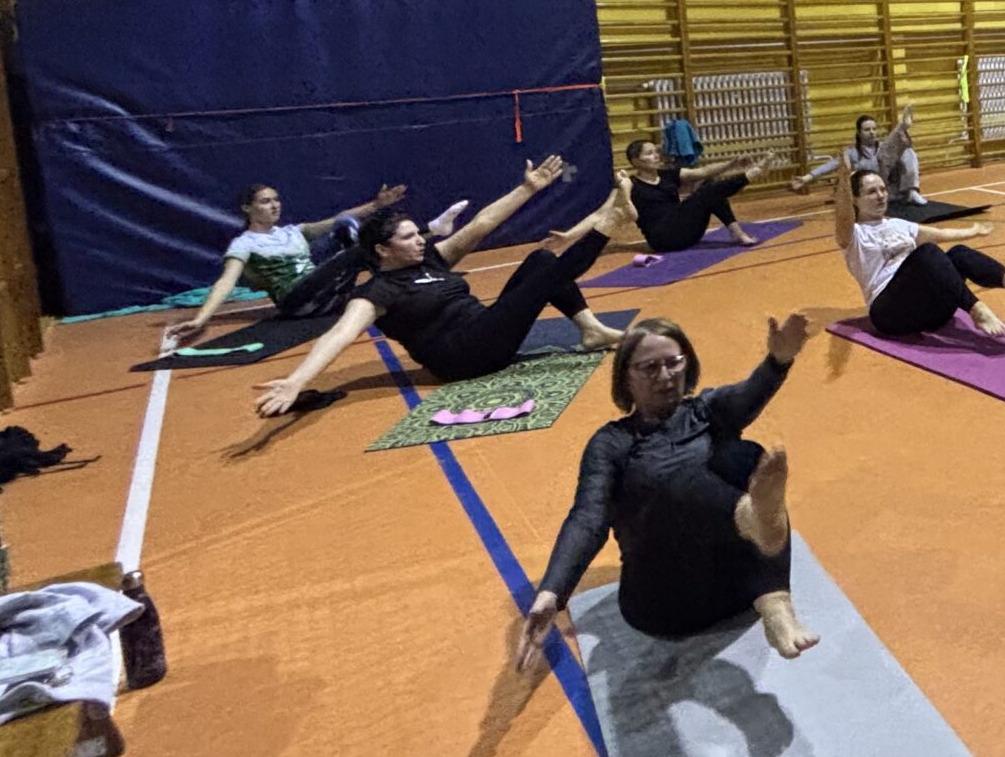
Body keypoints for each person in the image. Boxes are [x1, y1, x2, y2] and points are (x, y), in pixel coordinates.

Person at [517, 314, 817, 667]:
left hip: (735, 589)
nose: (665, 376)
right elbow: (588, 518)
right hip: (664, 605)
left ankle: (776, 603)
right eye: (649, 368)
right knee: (682, 481)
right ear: (626, 378)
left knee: (748, 457)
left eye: (674, 363)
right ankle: (748, 516)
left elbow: (746, 395)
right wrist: (552, 592)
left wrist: (778, 360)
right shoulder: (611, 444)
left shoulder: (706, 411)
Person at [253, 156, 629, 415]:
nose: (420, 240)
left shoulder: (429, 259)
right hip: (463, 358)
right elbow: (339, 335)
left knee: (542, 261)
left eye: (418, 233)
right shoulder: (377, 291)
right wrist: (296, 381)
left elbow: (481, 225)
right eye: (408, 237)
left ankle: (591, 330)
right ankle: (611, 222)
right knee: (548, 276)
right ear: (383, 250)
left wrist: (527, 189)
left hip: (485, 329)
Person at [169, 178, 448, 342]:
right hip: (297, 302)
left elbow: (338, 219)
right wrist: (201, 319)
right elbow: (226, 281)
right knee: (356, 244)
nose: (274, 205)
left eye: (276, 199)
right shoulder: (244, 244)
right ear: (247, 208)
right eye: (265, 202)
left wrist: (378, 205)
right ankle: (431, 233)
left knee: (348, 229)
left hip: (324, 297)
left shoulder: (293, 232)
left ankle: (426, 253)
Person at [835, 166, 1005, 338]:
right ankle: (977, 309)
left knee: (958, 253)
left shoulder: (898, 224)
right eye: (871, 192)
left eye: (883, 189)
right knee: (927, 253)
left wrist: (973, 231)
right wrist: (844, 182)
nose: (881, 196)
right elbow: (843, 216)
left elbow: (940, 234)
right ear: (855, 199)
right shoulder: (854, 235)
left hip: (930, 312)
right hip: (890, 314)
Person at [607, 138, 767, 252]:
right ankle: (748, 176)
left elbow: (703, 172)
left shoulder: (667, 174)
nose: (656, 156)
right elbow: (614, 205)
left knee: (708, 185)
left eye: (656, 152)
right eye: (649, 153)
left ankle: (736, 232)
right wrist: (619, 182)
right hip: (663, 240)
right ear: (635, 161)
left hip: (686, 233)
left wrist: (732, 163)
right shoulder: (630, 184)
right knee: (706, 192)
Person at [797, 103, 926, 205]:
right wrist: (806, 178)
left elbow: (894, 152)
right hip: (874, 192)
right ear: (859, 133)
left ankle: (912, 191)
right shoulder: (852, 153)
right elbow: (830, 165)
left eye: (874, 129)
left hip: (894, 190)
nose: (872, 132)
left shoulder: (883, 147)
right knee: (885, 153)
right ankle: (902, 127)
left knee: (907, 151)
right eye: (867, 129)